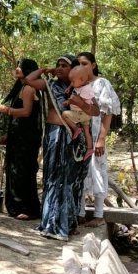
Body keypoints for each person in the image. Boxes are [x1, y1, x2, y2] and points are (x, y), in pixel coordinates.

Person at [25, 55, 98, 241]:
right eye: (57, 65)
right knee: (53, 176)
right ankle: (50, 222)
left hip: (73, 137)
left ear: (73, 69)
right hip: (53, 136)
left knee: (69, 179)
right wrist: (44, 70)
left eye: (64, 66)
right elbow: (29, 80)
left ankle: (67, 223)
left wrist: (80, 103)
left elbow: (95, 111)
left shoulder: (82, 89)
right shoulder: (50, 85)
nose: (59, 68)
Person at [0, 59, 45, 220]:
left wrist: (7, 110)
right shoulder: (22, 87)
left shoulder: (29, 88)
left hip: (27, 138)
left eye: (21, 66)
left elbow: (26, 112)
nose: (17, 69)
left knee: (23, 171)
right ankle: (17, 205)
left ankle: (28, 208)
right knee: (15, 171)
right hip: (19, 136)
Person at [74, 52, 120, 228]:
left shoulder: (101, 83)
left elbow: (107, 113)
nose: (82, 66)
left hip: (95, 134)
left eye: (85, 63)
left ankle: (99, 214)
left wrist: (101, 138)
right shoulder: (78, 84)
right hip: (81, 136)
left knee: (98, 170)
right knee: (80, 171)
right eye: (78, 64)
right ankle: (80, 212)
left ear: (93, 65)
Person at [62, 65, 96, 159]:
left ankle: (75, 128)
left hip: (82, 114)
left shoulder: (86, 90)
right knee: (86, 131)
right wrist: (70, 87)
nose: (71, 83)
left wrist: (68, 101)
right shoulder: (81, 83)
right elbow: (74, 82)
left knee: (64, 115)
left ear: (81, 80)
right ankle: (90, 148)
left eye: (73, 82)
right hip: (85, 115)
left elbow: (78, 101)